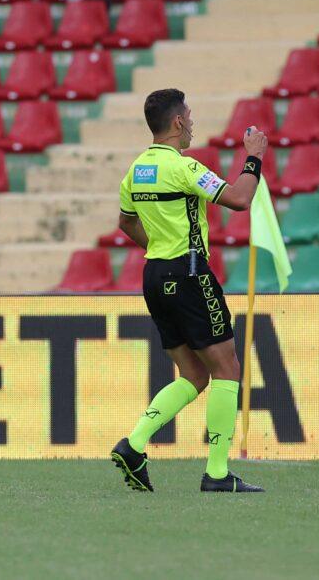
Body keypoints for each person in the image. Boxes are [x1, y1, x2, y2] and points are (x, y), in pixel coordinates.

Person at [111, 88, 267, 494]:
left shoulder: (136, 170)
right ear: (178, 123)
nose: (193, 123)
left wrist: (159, 251)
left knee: (194, 374)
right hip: (191, 274)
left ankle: (134, 444)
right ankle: (217, 473)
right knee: (227, 368)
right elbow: (239, 198)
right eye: (190, 116)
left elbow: (126, 224)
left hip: (155, 274)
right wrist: (254, 156)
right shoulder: (184, 167)